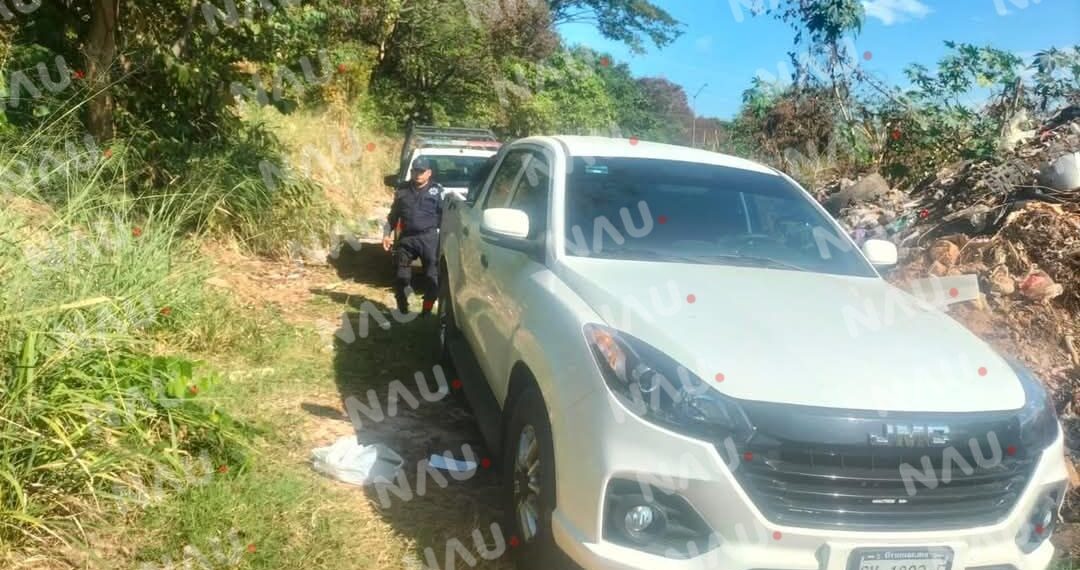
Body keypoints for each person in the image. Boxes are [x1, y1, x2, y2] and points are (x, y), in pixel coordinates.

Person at [383, 158, 444, 316]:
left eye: (421, 171)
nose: (418, 174)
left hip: (428, 238)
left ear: (429, 173)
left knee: (432, 278)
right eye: (415, 170)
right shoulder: (402, 190)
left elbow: (445, 217)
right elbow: (393, 215)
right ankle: (402, 307)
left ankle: (427, 311)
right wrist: (386, 234)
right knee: (401, 277)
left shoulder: (437, 191)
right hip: (407, 238)